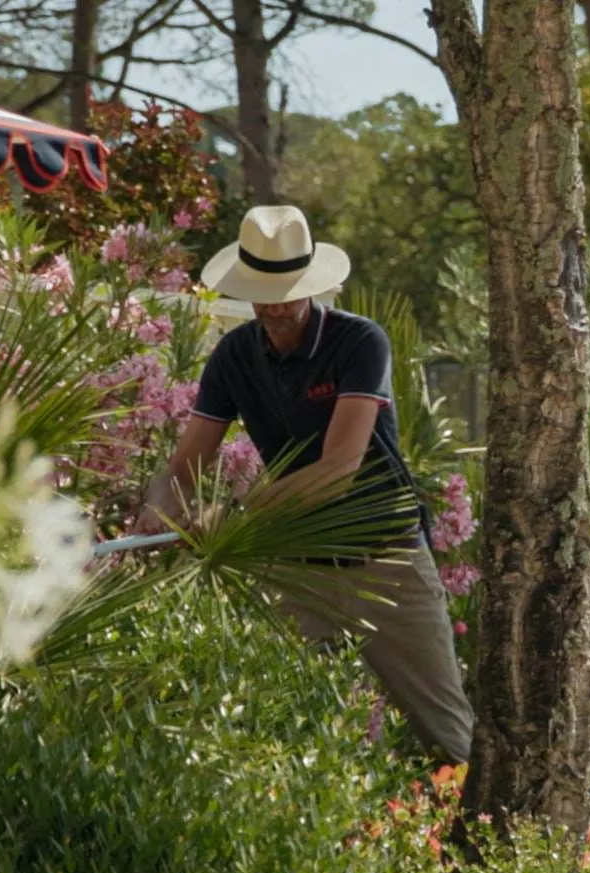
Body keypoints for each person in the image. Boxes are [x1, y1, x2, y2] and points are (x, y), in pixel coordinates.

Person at [133, 204, 476, 766]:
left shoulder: (360, 342)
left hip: (384, 560)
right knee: (293, 740)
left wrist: (238, 515)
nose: (278, 303)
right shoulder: (233, 356)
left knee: (448, 737)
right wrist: (160, 511)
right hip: (297, 569)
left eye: (289, 287)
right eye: (264, 289)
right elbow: (183, 466)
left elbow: (339, 468)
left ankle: (493, 848)